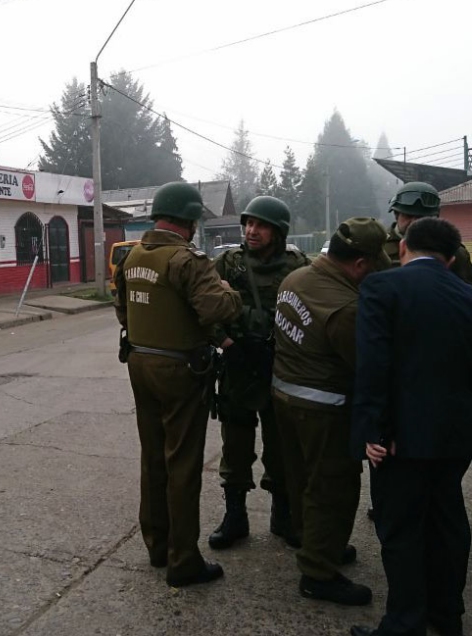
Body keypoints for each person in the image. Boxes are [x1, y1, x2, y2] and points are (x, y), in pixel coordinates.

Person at [349, 217, 472, 636]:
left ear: (402, 248)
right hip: (455, 434)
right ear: (451, 259)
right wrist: (462, 410)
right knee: (448, 523)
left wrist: (374, 431)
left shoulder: (381, 288)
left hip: (399, 440)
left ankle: (404, 623)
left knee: (400, 530)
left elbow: (373, 365)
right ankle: (446, 615)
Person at [113, 181, 243, 588]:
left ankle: (157, 544)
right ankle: (183, 560)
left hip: (139, 363)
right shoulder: (187, 260)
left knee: (153, 458)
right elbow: (214, 307)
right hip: (180, 372)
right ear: (187, 220)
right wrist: (231, 293)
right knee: (182, 464)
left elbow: (122, 312)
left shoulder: (132, 256)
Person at [272, 217, 389, 607]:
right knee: (333, 488)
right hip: (323, 409)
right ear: (359, 264)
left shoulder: (297, 279)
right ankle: (318, 572)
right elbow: (367, 365)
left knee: (303, 481)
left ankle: (316, 544)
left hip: (286, 398)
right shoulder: (346, 307)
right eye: (374, 264)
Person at [207, 196, 310, 551]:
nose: (252, 230)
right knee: (235, 445)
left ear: (278, 232)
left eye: (261, 225)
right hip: (237, 364)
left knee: (281, 445)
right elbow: (202, 305)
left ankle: (283, 516)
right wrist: (224, 341)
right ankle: (235, 516)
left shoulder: (298, 267)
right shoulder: (228, 263)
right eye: (249, 223)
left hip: (280, 365)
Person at [382, 181, 472, 285]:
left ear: (434, 218)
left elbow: (469, 291)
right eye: (408, 216)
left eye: (420, 218)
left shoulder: (453, 251)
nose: (413, 222)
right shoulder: (378, 245)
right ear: (396, 215)